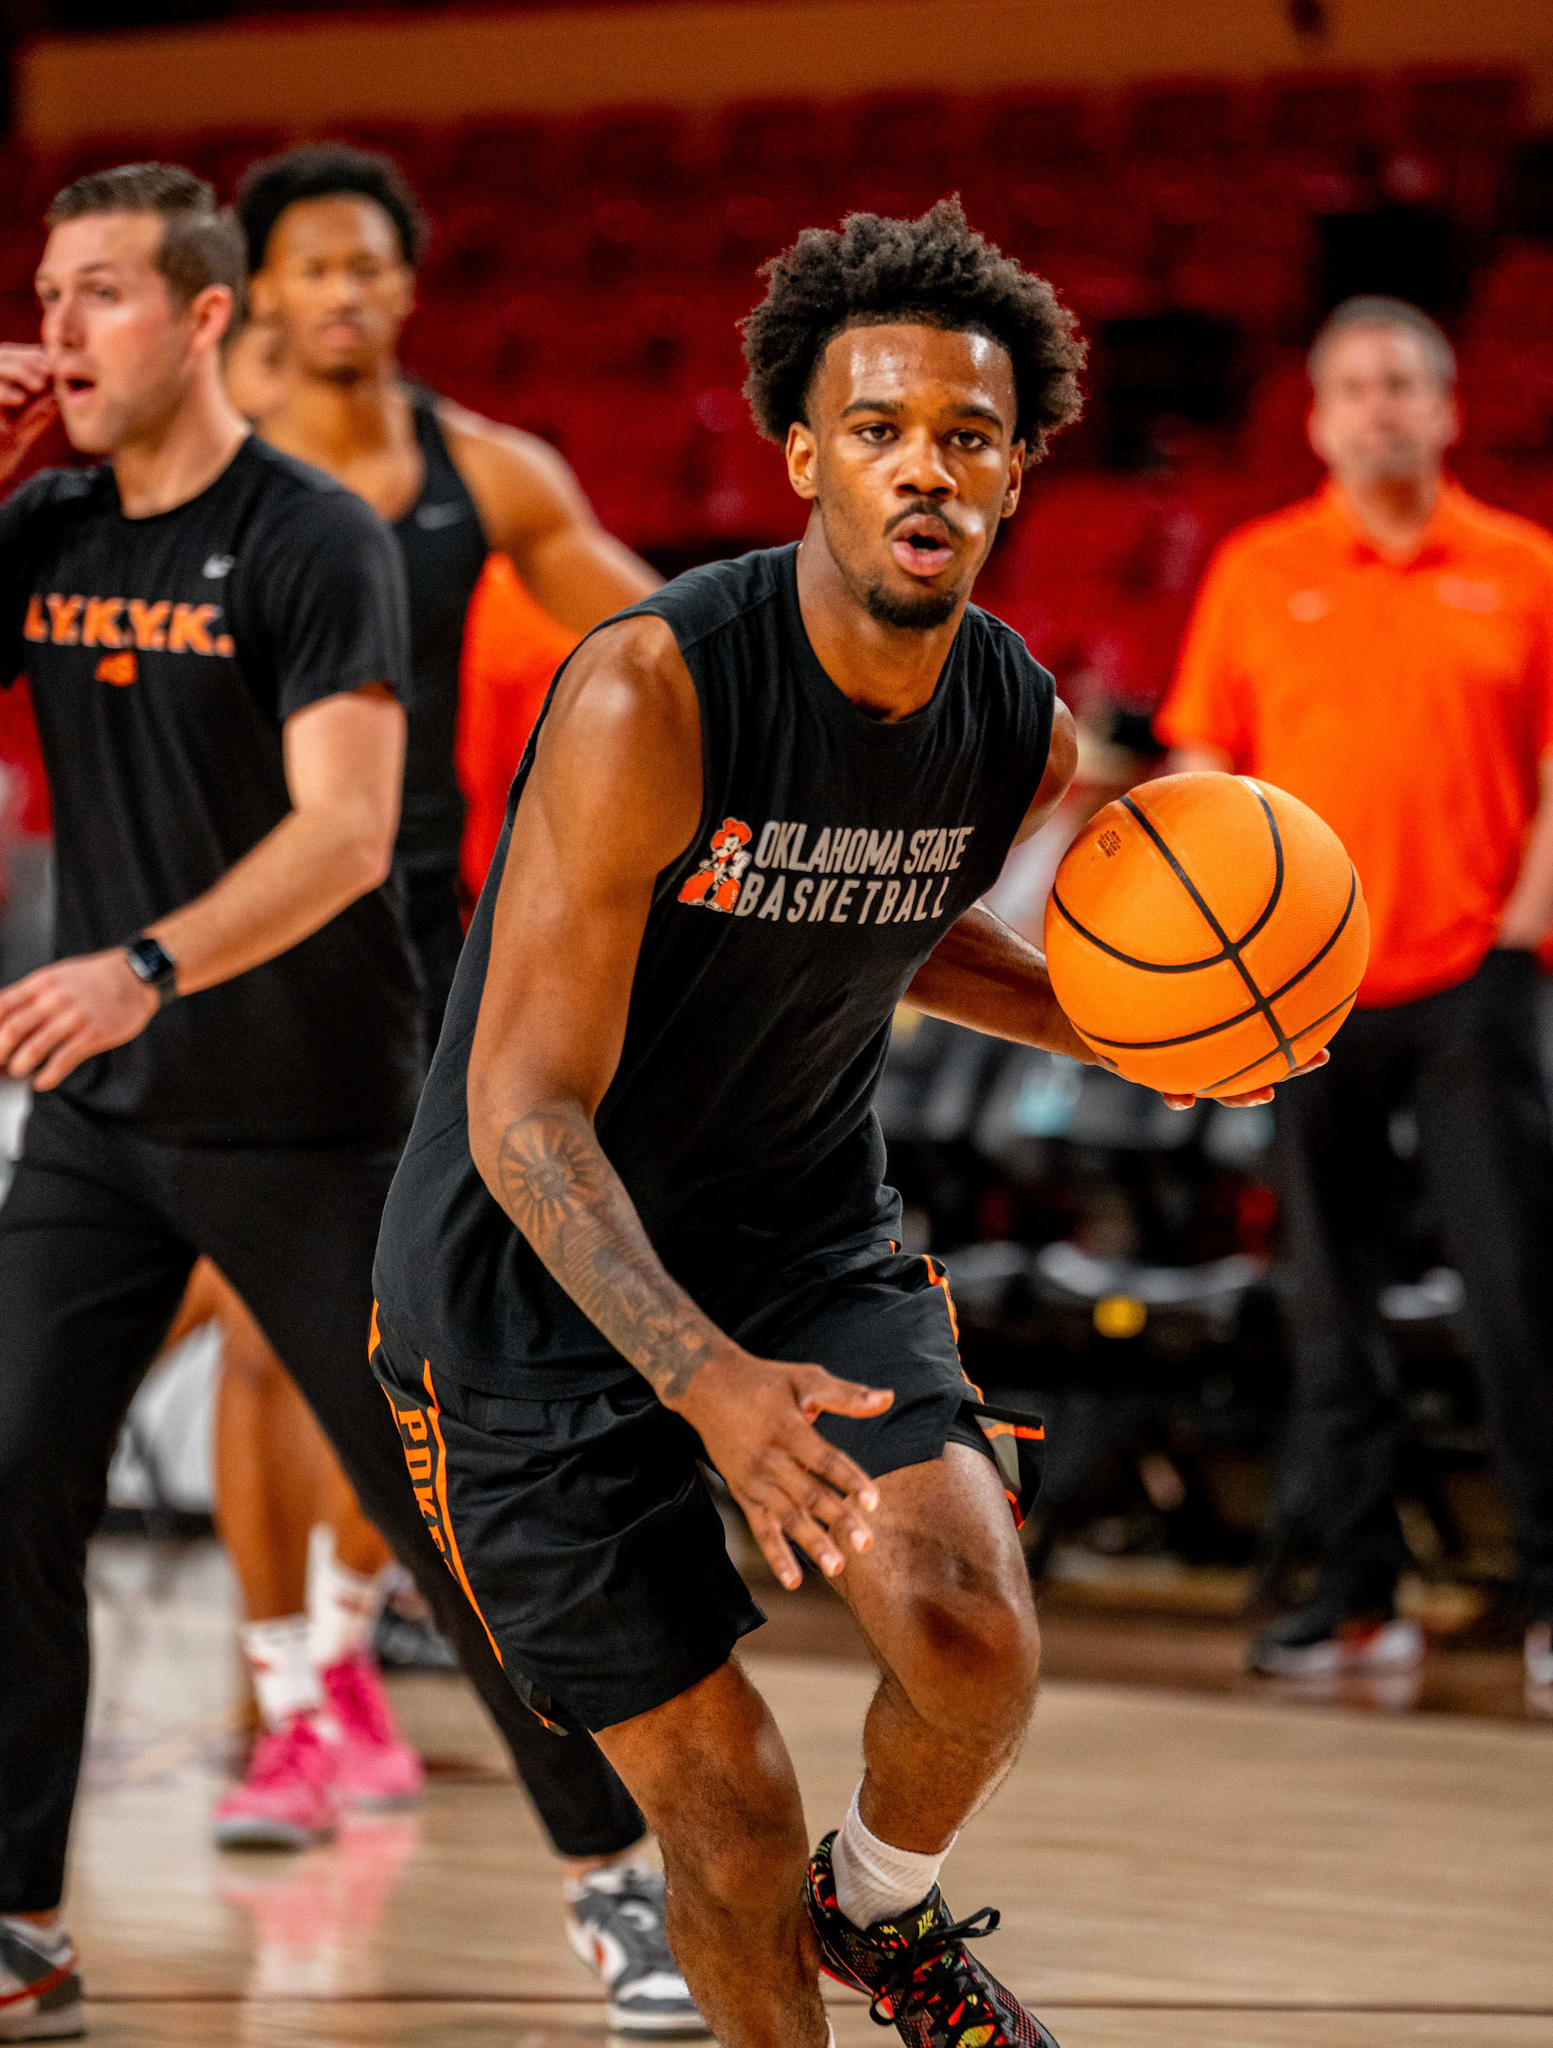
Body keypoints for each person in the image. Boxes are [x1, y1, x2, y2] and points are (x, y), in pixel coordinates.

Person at [369, 200, 1307, 2048]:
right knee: (720, 1806)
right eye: (874, 430)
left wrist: (1121, 1028)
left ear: (1021, 468)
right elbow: (523, 1108)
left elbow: (887, 908)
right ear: (802, 457)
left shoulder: (1010, 726)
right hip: (521, 1278)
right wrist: (705, 1378)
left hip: (797, 1227)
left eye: (966, 434)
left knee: (971, 1636)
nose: (922, 469)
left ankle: (876, 1917)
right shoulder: (655, 690)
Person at [0, 162, 650, 2045]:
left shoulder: (317, 534)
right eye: (45, 293)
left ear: (202, 313)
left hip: (320, 1110)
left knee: (442, 1518)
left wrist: (136, 961)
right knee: (10, 1496)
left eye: (98, 297)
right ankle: (15, 1926)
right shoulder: (43, 522)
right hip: (107, 1124)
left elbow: (340, 840)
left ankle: (616, 1877)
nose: (55, 332)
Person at [182, 145, 691, 2026]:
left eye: (370, 265)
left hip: (407, 951)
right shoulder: (189, 453)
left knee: (354, 1332)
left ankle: (327, 1686)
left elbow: (664, 649)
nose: (345, 291)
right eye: (310, 262)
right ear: (252, 288)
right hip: (216, 937)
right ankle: (297, 1699)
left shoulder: (488, 473)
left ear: (406, 286)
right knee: (250, 1329)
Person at [1158, 295, 1553, 1691]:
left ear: (1447, 409)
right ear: (1317, 419)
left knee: (1520, 1296)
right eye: (1353, 387)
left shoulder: (1523, 567)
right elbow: (1202, 770)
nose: (1380, 406)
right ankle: (1353, 1597)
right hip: (1301, 993)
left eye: (1403, 384)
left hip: (1475, 980)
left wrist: (1518, 930)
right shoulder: (1257, 572)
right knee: (1330, 1303)